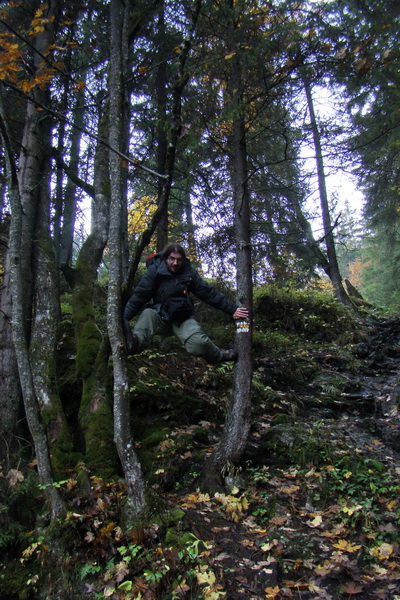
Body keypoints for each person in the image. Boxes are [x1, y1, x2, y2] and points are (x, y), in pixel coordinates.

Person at [123, 243, 249, 363]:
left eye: (179, 260)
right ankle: (134, 343)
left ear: (183, 260)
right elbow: (139, 296)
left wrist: (232, 309)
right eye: (172, 259)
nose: (175, 263)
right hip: (159, 315)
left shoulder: (188, 272)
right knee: (148, 313)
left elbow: (207, 292)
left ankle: (220, 355)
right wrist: (123, 319)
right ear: (166, 258)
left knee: (200, 344)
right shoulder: (154, 270)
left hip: (182, 318)